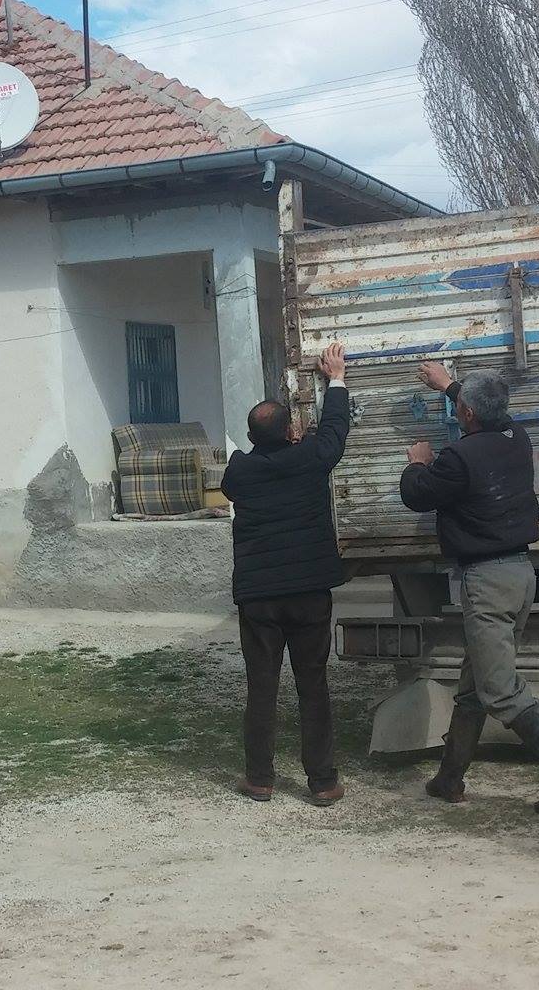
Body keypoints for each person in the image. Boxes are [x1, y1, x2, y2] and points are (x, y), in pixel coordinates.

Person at [400, 363, 539, 815]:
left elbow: (418, 495)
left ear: (466, 413)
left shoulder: (459, 458)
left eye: (460, 406)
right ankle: (449, 779)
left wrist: (417, 464)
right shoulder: (517, 437)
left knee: (500, 691)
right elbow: (488, 414)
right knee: (475, 686)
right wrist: (450, 385)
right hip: (520, 576)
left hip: (486, 582)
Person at [218, 343, 353, 806]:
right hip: (309, 592)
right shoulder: (310, 458)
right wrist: (335, 379)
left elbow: (236, 479)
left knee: (262, 685)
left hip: (259, 597)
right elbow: (336, 432)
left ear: (253, 438)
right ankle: (322, 782)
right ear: (292, 431)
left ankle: (259, 779)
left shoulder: (239, 472)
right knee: (312, 684)